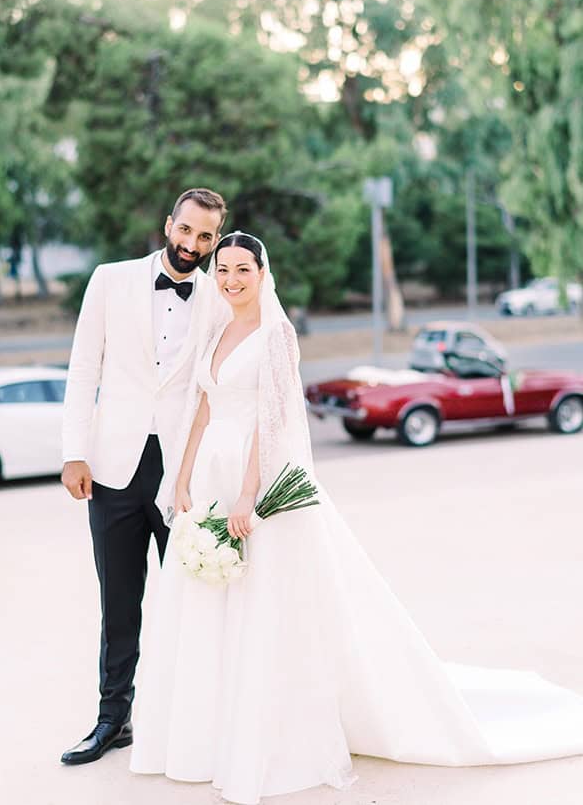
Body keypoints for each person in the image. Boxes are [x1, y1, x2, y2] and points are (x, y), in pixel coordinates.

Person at [130, 232, 583, 805]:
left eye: (243, 269)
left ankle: (262, 737)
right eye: (223, 269)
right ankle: (207, 735)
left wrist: (248, 495)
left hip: (252, 477)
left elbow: (271, 423)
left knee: (259, 605)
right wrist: (184, 478)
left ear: (263, 273)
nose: (231, 279)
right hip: (209, 478)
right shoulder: (217, 330)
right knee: (209, 607)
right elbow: (201, 410)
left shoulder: (277, 335)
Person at [60, 188, 228, 766]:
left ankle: (193, 721)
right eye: (186, 231)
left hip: (183, 472)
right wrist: (74, 452)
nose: (193, 245)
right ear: (169, 225)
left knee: (192, 599)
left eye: (205, 237)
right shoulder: (110, 280)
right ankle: (113, 719)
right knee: (120, 602)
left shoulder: (220, 298)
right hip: (112, 467)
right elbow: (84, 367)